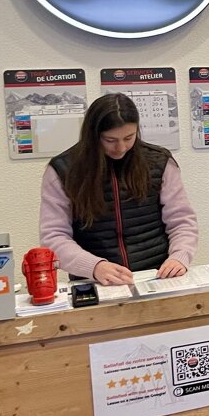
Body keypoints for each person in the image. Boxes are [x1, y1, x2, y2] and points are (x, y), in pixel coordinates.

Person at [40, 93, 198, 285]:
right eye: (110, 140)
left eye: (128, 137)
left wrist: (179, 256)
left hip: (157, 276)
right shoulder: (63, 170)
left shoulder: (159, 161)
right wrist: (94, 266)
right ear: (93, 135)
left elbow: (181, 221)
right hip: (96, 281)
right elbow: (53, 236)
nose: (121, 147)